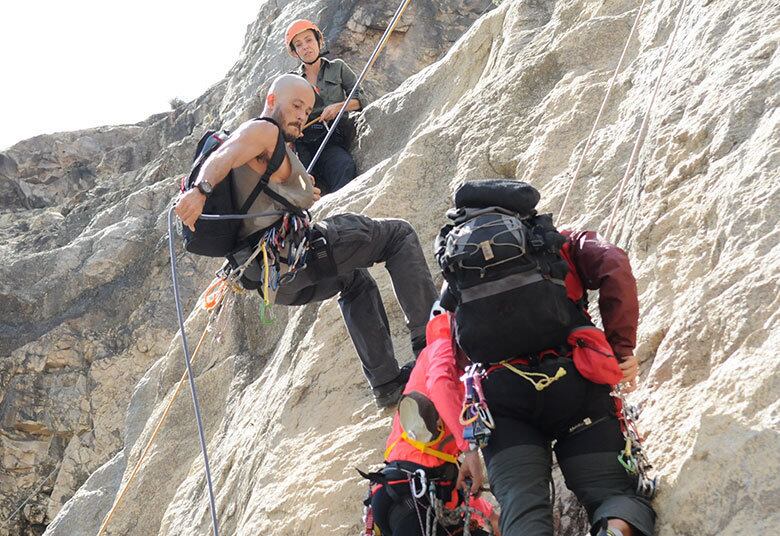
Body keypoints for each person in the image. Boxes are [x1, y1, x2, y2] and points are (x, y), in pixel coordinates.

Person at [175, 74, 437, 407]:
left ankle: (387, 384)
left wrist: (299, 192)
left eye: (307, 109)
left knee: (354, 280)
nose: (301, 115)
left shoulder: (273, 150)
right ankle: (433, 346)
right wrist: (200, 191)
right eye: (296, 106)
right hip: (298, 254)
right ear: (272, 100)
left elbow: (259, 192)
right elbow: (225, 155)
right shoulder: (264, 130)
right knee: (399, 235)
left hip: (274, 281)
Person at [435, 181, 656, 536]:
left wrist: (469, 444)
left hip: (502, 403)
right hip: (575, 385)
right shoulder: (559, 242)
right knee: (611, 492)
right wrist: (620, 348)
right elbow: (614, 262)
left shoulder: (457, 270)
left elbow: (452, 358)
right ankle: (615, 527)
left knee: (521, 504)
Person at [367, 310, 500, 536]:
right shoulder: (442, 344)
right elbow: (440, 386)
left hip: (417, 491)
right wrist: (469, 449)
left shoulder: (445, 459)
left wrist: (492, 517)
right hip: (408, 491)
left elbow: (452, 481)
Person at [285, 19, 364, 194]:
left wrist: (338, 107)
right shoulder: (292, 81)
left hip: (331, 137)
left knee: (344, 166)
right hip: (303, 142)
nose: (305, 47)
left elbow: (360, 99)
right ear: (295, 52)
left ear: (319, 41)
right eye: (299, 44)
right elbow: (284, 115)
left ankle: (339, 209)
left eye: (309, 40)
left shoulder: (338, 67)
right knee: (301, 186)